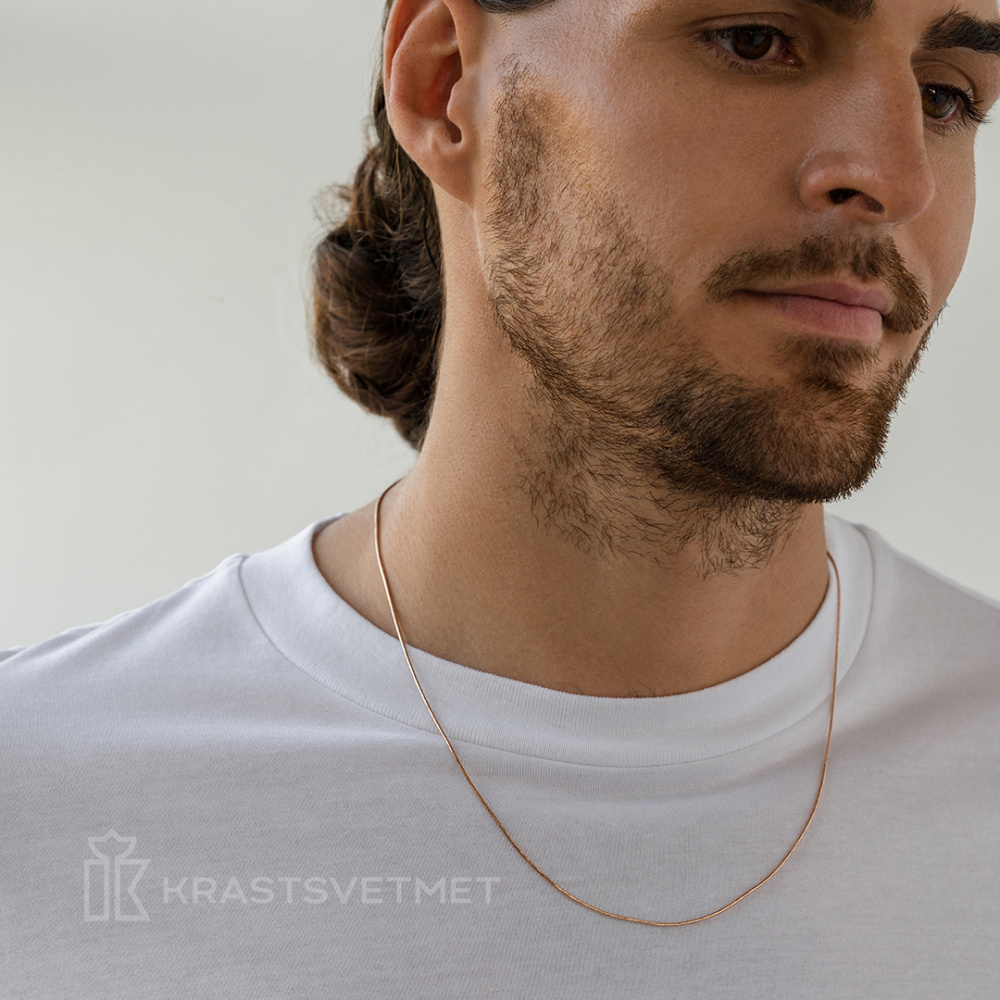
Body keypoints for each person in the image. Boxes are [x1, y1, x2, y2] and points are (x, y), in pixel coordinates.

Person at [3, 0, 1000, 995]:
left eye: (945, 97)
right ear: (446, 85)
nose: (897, 178)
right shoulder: (43, 799)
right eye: (755, 42)